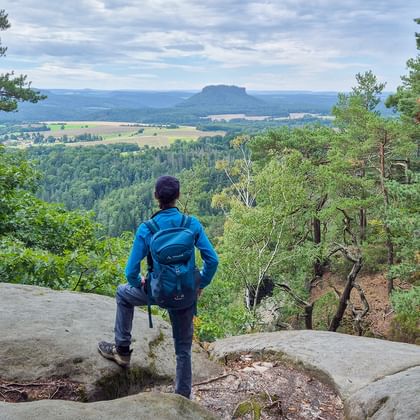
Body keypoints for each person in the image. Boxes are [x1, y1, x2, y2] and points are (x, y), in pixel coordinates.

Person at [98, 175, 219, 399]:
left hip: (156, 292)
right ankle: (182, 399)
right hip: (185, 293)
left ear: (156, 197)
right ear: (178, 197)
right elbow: (212, 260)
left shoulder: (147, 228)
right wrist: (199, 283)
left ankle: (122, 351)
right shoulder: (191, 224)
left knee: (123, 294)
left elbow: (130, 273)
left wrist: (140, 283)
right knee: (183, 350)